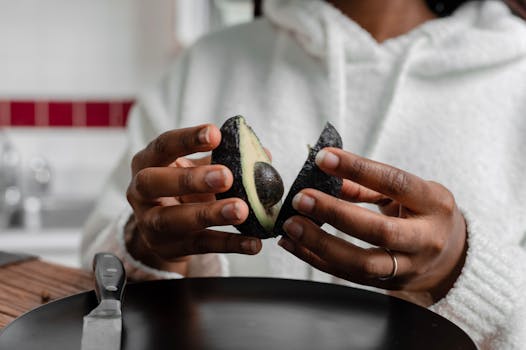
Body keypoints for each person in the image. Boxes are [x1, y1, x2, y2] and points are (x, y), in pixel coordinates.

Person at [81, 0, 526, 348]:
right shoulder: (205, 62)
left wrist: (462, 271)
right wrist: (148, 249)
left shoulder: (516, 78)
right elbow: (93, 281)